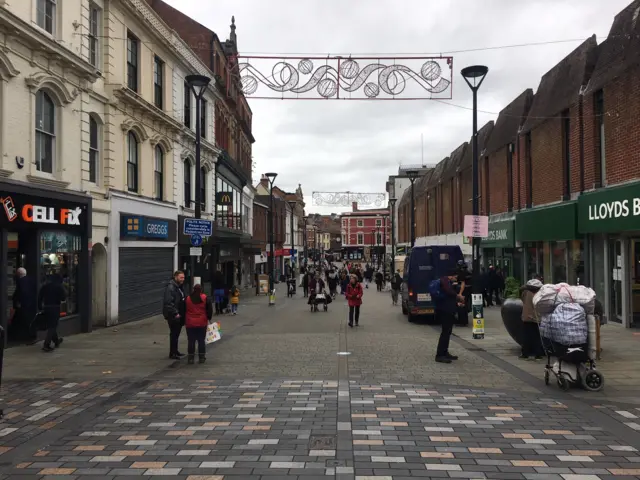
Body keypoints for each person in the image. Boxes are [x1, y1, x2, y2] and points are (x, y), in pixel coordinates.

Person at [434, 269, 464, 364]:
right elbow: (449, 292)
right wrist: (458, 296)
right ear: (451, 275)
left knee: (448, 331)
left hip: (447, 309)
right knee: (445, 332)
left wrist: (456, 303)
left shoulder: (447, 281)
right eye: (455, 277)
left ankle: (444, 352)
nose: (456, 279)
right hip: (444, 310)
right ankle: (440, 355)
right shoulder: (445, 281)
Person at [184, 284, 213, 364]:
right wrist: (208, 318)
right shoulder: (205, 298)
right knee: (201, 340)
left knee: (191, 341)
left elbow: (183, 309)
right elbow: (209, 310)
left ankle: (191, 358)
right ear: (201, 290)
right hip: (201, 322)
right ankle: (201, 357)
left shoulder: (188, 298)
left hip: (190, 323)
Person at [38, 273, 66, 352]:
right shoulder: (59, 287)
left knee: (51, 324)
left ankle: (56, 341)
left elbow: (40, 297)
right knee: (53, 326)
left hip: (46, 307)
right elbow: (63, 298)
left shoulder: (45, 286)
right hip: (55, 307)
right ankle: (46, 344)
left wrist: (39, 307)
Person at [162, 270, 186, 359]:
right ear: (175, 277)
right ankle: (172, 353)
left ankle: (175, 351)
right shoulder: (171, 287)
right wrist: (175, 313)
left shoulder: (179, 287)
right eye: (181, 277)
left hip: (179, 314)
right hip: (173, 315)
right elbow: (168, 303)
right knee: (174, 334)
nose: (183, 279)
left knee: (176, 334)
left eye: (183, 277)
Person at [11, 267, 37, 344]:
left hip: (23, 305)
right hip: (31, 304)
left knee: (20, 321)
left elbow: (20, 292)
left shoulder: (20, 281)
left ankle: (21, 337)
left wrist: (16, 301)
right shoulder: (32, 280)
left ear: (18, 274)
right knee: (30, 320)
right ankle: (31, 336)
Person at [520, 278, 544, 360]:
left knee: (526, 336)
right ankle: (538, 354)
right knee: (537, 337)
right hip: (536, 318)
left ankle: (525, 353)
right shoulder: (538, 294)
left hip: (526, 318)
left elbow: (523, 300)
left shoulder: (525, 293)